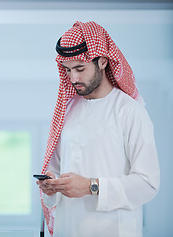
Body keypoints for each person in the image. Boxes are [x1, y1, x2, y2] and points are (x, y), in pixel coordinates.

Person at [36, 21, 160, 237]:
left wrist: (90, 186)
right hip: (68, 229)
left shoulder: (130, 111)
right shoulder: (67, 110)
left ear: (102, 61)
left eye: (80, 69)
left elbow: (147, 184)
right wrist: (51, 184)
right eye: (67, 70)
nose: (73, 78)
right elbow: (55, 168)